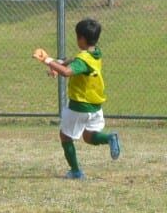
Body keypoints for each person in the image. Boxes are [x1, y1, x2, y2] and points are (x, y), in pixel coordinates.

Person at [33, 18, 120, 179]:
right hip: (96, 106)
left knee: (65, 136)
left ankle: (75, 171)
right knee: (88, 136)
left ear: (81, 38)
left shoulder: (84, 60)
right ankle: (109, 137)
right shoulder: (95, 53)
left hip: (80, 105)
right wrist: (56, 66)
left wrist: (47, 60)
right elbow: (73, 61)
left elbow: (68, 72)